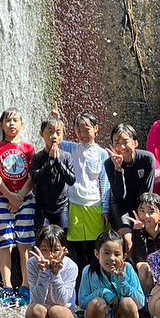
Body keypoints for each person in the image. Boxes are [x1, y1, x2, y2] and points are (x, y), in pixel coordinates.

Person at [0, 108, 36, 306]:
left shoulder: (28, 148)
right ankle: (7, 286)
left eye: (16, 120)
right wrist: (10, 196)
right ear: (1, 125)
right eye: (7, 121)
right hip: (3, 198)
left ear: (22, 125)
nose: (11, 124)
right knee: (4, 242)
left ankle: (26, 285)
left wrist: (20, 196)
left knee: (24, 243)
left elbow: (33, 176)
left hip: (25, 198)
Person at [78, 229, 145, 318]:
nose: (112, 258)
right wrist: (103, 292)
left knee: (128, 303)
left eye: (117, 254)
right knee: (97, 303)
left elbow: (141, 303)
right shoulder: (89, 271)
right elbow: (83, 302)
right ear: (97, 254)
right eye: (106, 253)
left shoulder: (129, 269)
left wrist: (122, 282)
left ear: (124, 256)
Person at [60, 112, 109, 285]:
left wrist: (105, 209)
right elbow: (54, 138)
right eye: (79, 130)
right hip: (75, 206)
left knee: (95, 251)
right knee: (79, 253)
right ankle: (81, 293)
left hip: (95, 206)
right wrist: (57, 119)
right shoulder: (71, 148)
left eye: (87, 129)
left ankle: (97, 286)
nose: (83, 134)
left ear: (96, 129)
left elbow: (105, 183)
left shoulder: (103, 154)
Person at [25, 225, 78, 318]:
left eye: (55, 250)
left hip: (62, 317)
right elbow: (36, 298)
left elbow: (62, 301)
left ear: (64, 250)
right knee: (35, 309)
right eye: (45, 250)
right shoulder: (32, 263)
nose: (50, 255)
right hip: (41, 316)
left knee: (57, 311)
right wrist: (43, 272)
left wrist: (55, 274)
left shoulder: (71, 266)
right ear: (37, 249)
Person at [103, 123, 156, 253]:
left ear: (135, 143)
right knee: (127, 241)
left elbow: (146, 191)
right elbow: (119, 195)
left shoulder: (147, 159)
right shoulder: (109, 163)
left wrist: (142, 214)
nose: (121, 147)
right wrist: (118, 168)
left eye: (125, 142)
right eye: (116, 142)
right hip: (120, 205)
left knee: (145, 238)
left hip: (142, 203)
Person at [31, 112, 75, 237]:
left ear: (62, 135)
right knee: (43, 238)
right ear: (41, 134)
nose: (54, 136)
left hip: (62, 207)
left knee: (62, 239)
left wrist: (58, 161)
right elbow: (35, 179)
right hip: (43, 207)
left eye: (58, 132)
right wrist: (49, 161)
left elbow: (71, 180)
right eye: (50, 132)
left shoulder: (66, 156)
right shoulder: (38, 157)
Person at [123, 191, 160, 295]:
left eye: (151, 211)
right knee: (142, 266)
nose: (146, 216)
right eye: (142, 211)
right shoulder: (138, 233)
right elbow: (142, 257)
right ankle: (147, 300)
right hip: (147, 276)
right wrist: (138, 232)